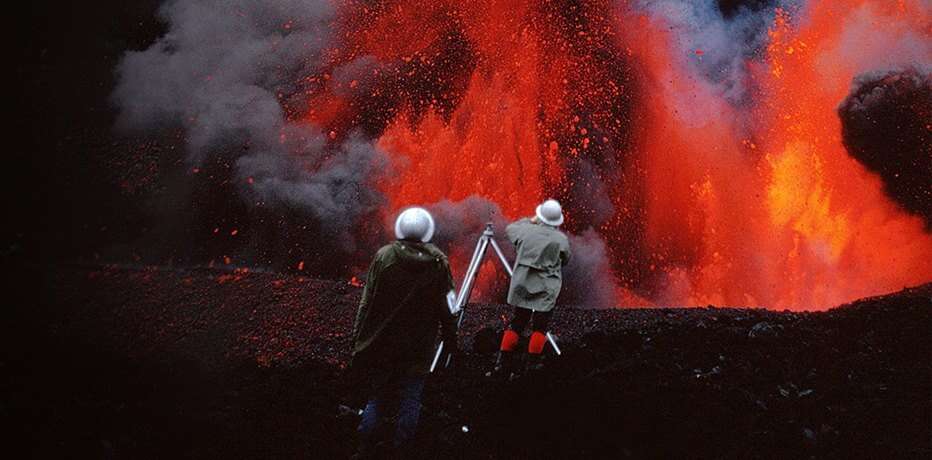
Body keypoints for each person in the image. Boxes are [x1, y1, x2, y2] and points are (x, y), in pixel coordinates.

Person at [351, 207, 458, 458]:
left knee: (377, 397)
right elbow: (449, 303)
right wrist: (451, 337)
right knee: (411, 398)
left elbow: (366, 302)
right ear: (426, 232)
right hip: (419, 344)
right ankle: (402, 449)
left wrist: (359, 339)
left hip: (384, 340)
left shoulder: (384, 257)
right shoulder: (439, 262)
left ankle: (364, 447)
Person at [496, 199, 571, 375]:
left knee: (518, 322)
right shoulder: (560, 239)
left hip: (523, 284)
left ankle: (503, 361)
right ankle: (532, 364)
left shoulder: (524, 231)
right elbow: (566, 259)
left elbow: (510, 229)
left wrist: (530, 221)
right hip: (546, 287)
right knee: (540, 326)